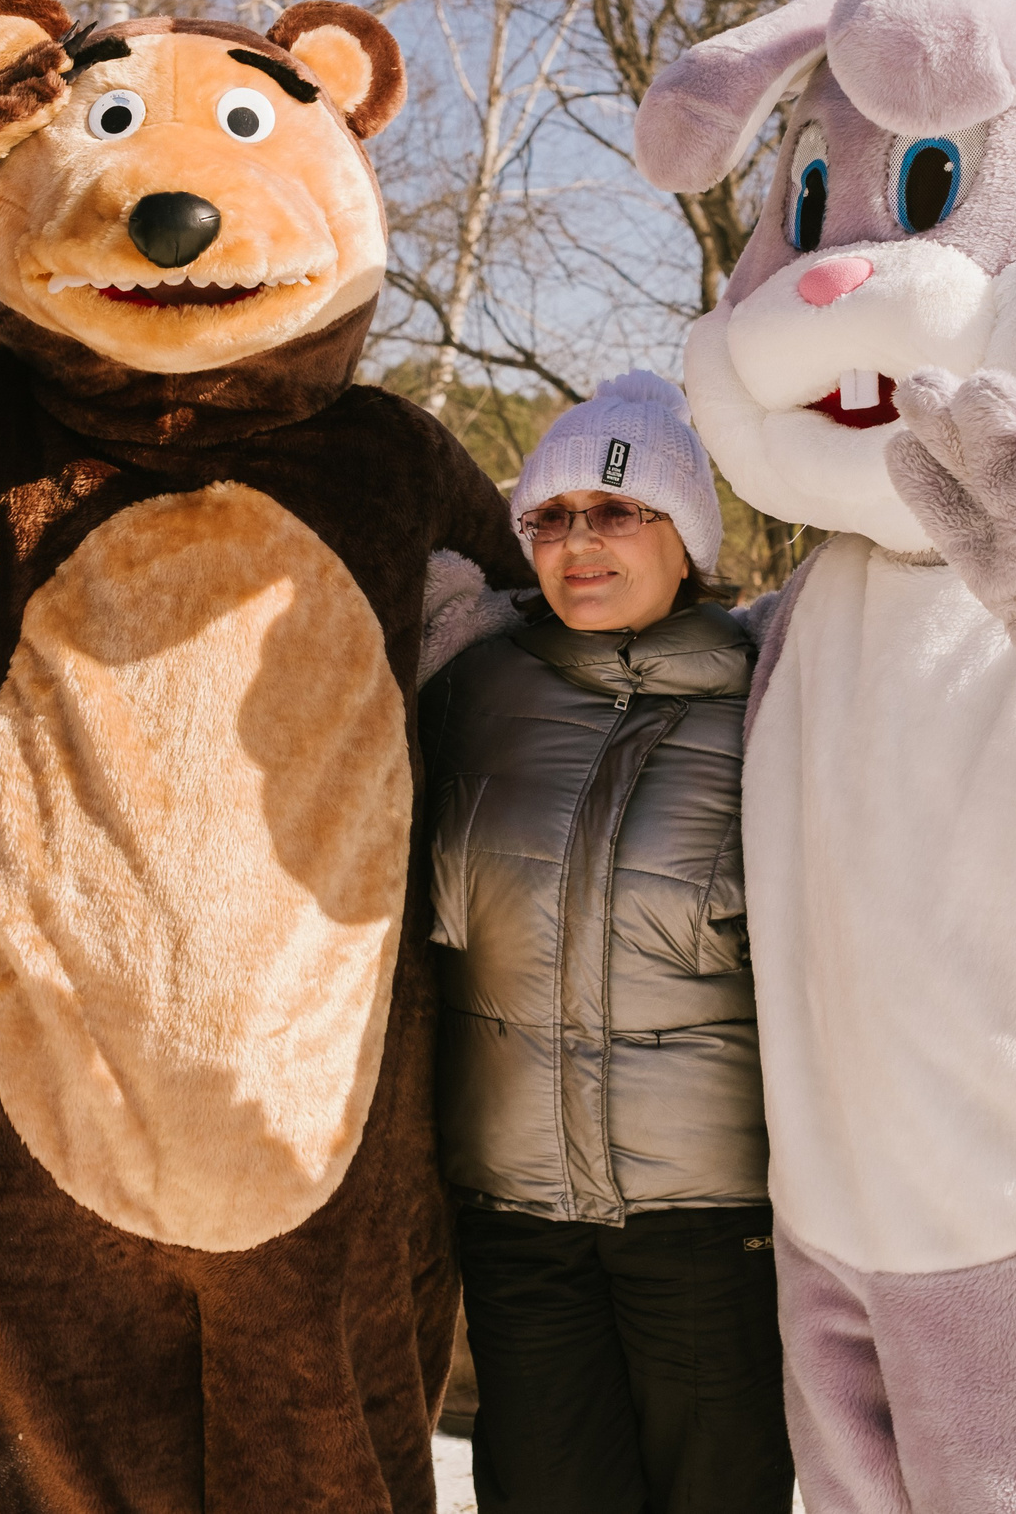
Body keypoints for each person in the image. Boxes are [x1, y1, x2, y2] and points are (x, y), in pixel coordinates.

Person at [422, 371, 794, 1514]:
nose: (579, 544)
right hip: (518, 1226)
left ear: (688, 536)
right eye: (551, 517)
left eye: (618, 512)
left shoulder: (773, 704)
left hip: (709, 1225)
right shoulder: (467, 690)